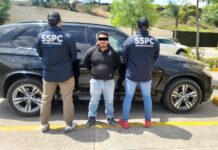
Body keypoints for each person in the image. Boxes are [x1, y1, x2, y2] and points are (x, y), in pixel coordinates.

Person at [36, 11, 78, 132]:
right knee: (67, 98)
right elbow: (74, 57)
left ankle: (44, 124)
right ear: (60, 22)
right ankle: (69, 124)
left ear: (48, 22)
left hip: (48, 74)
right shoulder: (67, 37)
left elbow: (39, 53)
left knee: (46, 98)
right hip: (65, 74)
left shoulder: (41, 36)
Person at [118, 17, 160, 129]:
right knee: (147, 98)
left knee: (128, 97)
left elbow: (124, 58)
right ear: (148, 26)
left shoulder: (130, 40)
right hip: (146, 75)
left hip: (132, 75)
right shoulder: (154, 41)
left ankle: (125, 121)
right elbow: (156, 56)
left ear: (137, 26)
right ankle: (148, 121)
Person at [83, 31, 121, 127]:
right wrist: (93, 71)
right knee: (94, 100)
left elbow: (118, 64)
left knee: (109, 101)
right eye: (101, 39)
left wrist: (112, 72)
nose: (103, 41)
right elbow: (85, 63)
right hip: (95, 81)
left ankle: (110, 117)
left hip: (109, 82)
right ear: (98, 40)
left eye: (104, 39)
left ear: (107, 41)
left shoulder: (114, 52)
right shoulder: (91, 51)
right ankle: (92, 117)